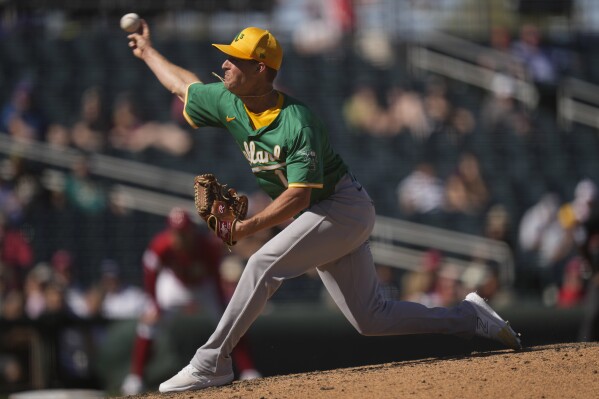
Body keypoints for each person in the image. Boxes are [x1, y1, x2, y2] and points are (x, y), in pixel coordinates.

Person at [125, 23, 522, 393]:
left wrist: (248, 227)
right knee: (372, 319)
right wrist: (147, 52)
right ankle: (470, 318)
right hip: (320, 216)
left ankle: (212, 361)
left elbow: (299, 195)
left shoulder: (298, 122)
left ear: (260, 68)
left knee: (262, 264)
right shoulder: (229, 101)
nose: (224, 63)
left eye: (235, 58)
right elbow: (183, 87)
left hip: (342, 207)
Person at [120, 207, 260, 395]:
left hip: (203, 286)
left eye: (185, 232)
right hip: (174, 284)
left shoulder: (207, 247)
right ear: (170, 232)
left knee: (230, 321)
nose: (181, 237)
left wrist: (221, 306)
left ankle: (248, 370)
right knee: (149, 324)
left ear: (192, 231)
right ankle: (135, 378)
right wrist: (154, 304)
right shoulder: (161, 245)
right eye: (177, 233)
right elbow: (151, 273)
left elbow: (215, 279)